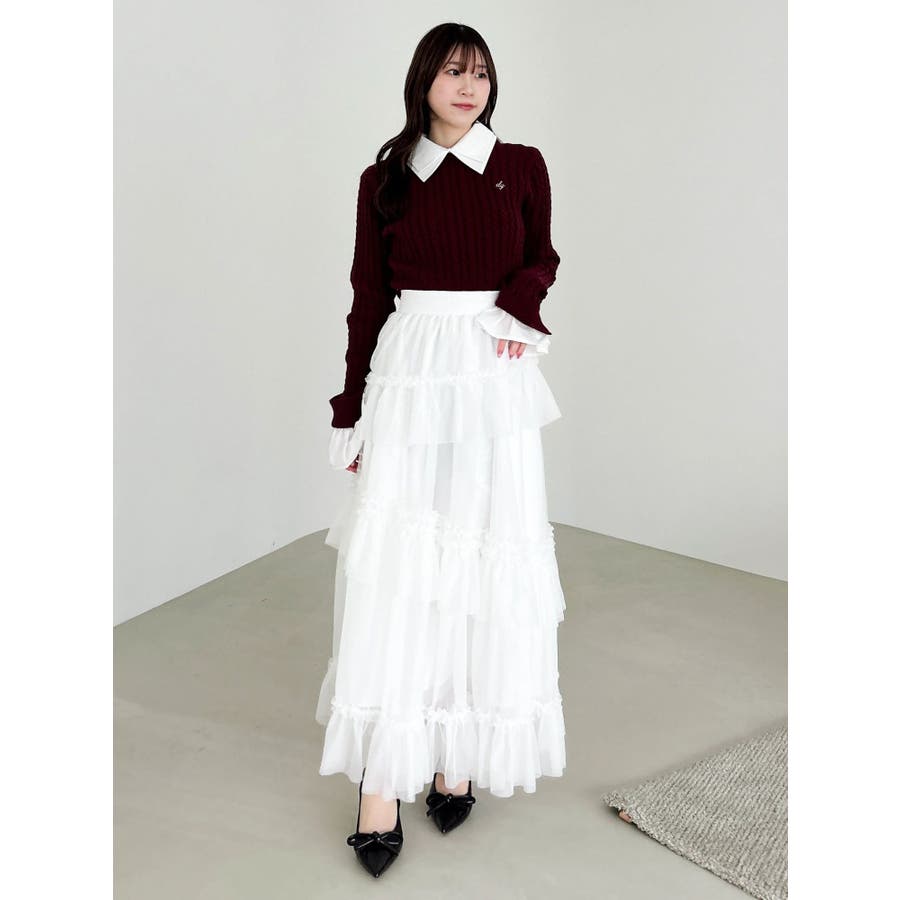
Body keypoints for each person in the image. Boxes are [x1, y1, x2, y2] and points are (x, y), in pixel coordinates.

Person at [315, 22, 567, 878]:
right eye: (454, 71)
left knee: (483, 553)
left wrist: (519, 304)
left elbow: (542, 255)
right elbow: (367, 296)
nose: (469, 86)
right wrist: (351, 409)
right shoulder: (384, 179)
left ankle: (456, 749)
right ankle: (382, 780)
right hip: (412, 372)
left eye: (482, 73)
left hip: (492, 372)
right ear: (423, 80)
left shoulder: (520, 165)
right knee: (401, 569)